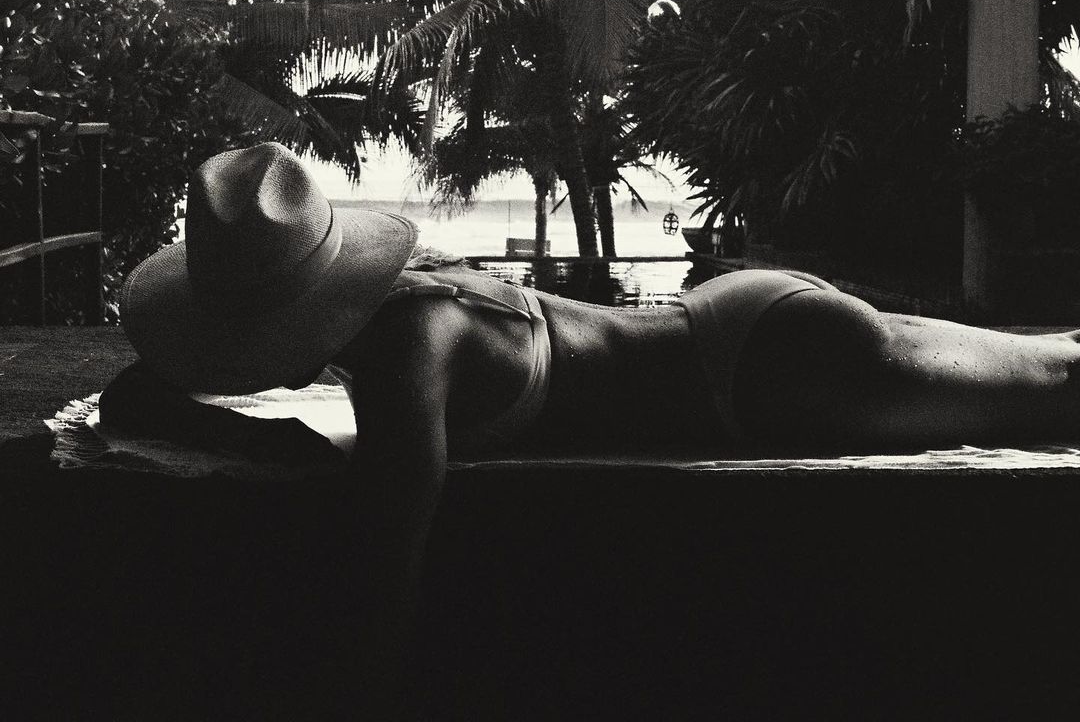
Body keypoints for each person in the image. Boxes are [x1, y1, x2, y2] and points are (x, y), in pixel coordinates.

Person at [99, 142, 1080, 714]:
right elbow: (137, 394)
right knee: (1052, 358)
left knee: (1060, 380)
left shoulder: (409, 352)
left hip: (762, 376)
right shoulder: (395, 312)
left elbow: (385, 564)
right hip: (745, 331)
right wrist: (239, 431)